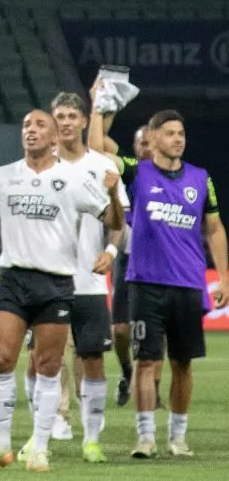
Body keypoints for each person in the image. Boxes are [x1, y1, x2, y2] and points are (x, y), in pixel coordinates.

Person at [0, 110, 124, 473]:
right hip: (13, 279)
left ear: (53, 139)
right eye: (26, 126)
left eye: (39, 126)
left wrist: (112, 193)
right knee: (2, 360)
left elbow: (112, 221)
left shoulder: (74, 179)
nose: (31, 131)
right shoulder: (5, 176)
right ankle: (1, 445)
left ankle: (40, 448)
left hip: (57, 282)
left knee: (48, 368)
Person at [92, 108, 228, 458]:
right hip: (145, 283)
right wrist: (97, 109)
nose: (178, 139)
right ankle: (146, 436)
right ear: (151, 139)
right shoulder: (138, 172)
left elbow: (213, 229)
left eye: (181, 133)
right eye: (169, 133)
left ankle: (178, 437)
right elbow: (94, 152)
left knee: (183, 362)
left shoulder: (201, 179)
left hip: (187, 284)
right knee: (147, 361)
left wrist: (224, 276)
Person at [18, 93, 128, 464]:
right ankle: (39, 435)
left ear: (84, 122)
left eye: (70, 116)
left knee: (92, 359)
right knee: (37, 360)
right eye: (58, 116)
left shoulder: (103, 167)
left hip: (89, 282)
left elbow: (119, 222)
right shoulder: (35, 167)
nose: (64, 122)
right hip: (45, 282)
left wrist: (110, 253)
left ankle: (92, 439)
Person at [88, 106, 160, 407]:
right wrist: (103, 108)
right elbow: (96, 147)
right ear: (134, 148)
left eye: (149, 142)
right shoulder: (131, 169)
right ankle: (127, 371)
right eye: (140, 143)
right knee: (119, 330)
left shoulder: (176, 175)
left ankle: (153, 388)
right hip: (128, 258)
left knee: (158, 331)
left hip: (159, 262)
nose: (145, 147)